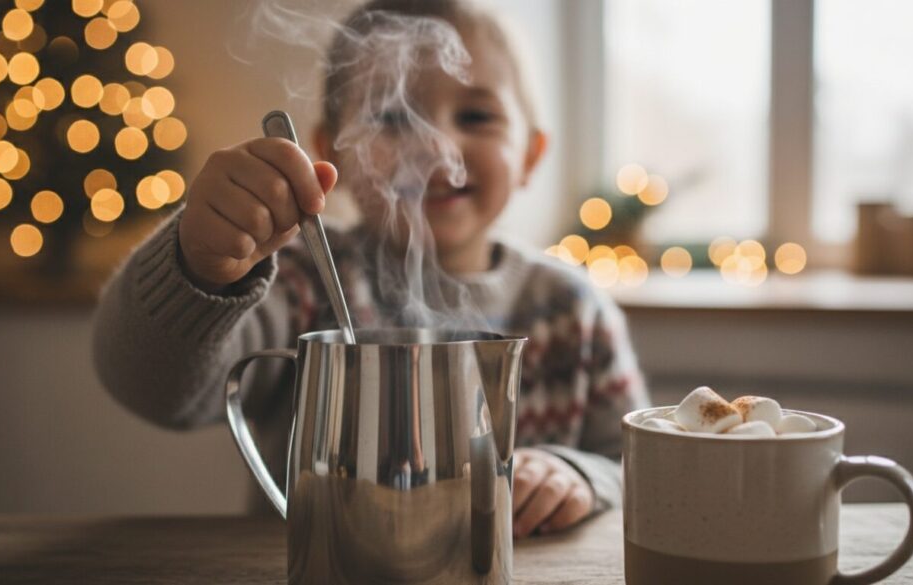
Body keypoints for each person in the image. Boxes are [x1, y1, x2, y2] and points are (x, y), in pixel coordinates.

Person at [93, 0, 647, 538]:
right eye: (392, 117)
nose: (436, 146)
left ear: (530, 155)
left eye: (476, 116)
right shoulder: (297, 279)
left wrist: (578, 475)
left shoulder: (573, 308)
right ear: (328, 153)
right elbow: (152, 388)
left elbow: (637, 468)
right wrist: (199, 265)